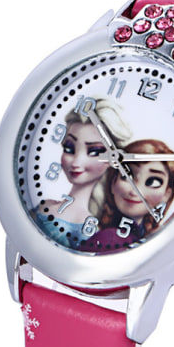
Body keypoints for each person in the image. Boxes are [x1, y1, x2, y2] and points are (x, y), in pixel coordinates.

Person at [34, 99, 132, 248]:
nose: (76, 162)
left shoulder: (90, 230)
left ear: (113, 159)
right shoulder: (46, 204)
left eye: (94, 151)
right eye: (69, 148)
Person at [80, 139, 174, 252]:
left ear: (167, 194)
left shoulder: (150, 236)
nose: (135, 191)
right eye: (127, 176)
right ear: (113, 182)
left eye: (153, 182)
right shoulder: (108, 239)